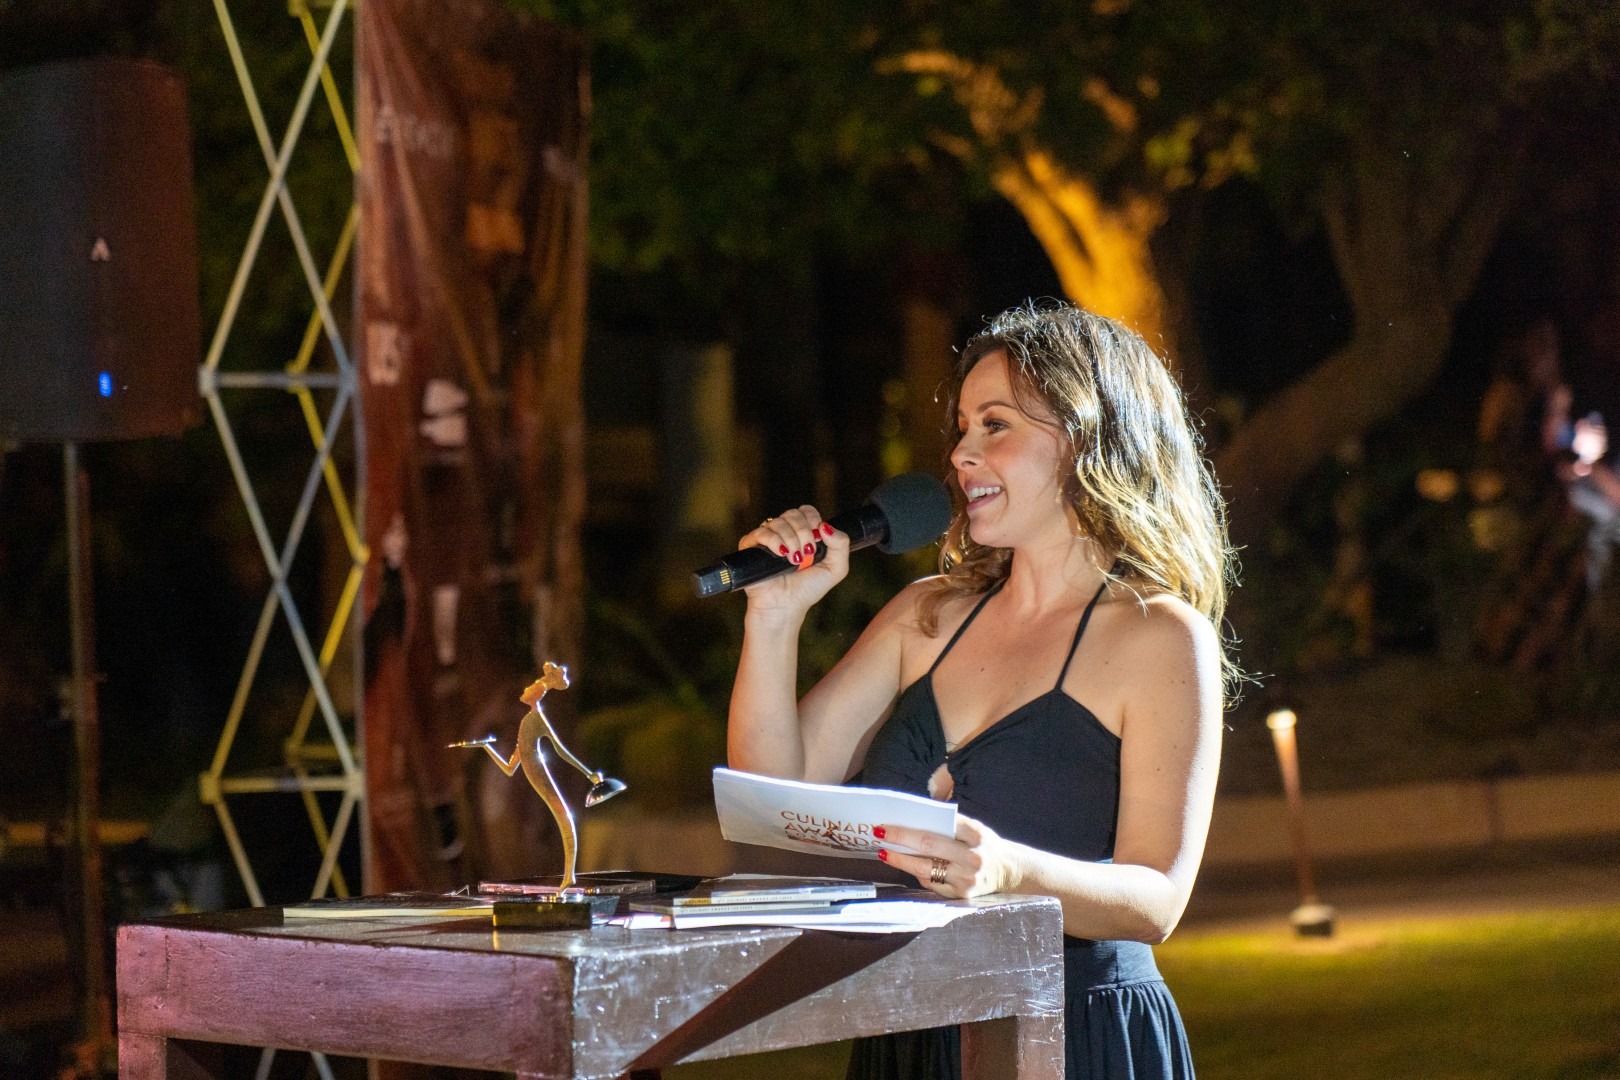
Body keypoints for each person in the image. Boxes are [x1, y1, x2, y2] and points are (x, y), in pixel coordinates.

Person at [727, 301, 1237, 1080]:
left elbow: (1157, 899)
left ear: (1087, 436)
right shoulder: (925, 616)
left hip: (1075, 1033)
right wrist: (774, 617)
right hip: (911, 1033)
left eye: (995, 425)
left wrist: (1005, 871)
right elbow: (771, 803)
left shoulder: (1159, 636)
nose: (962, 454)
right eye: (963, 428)